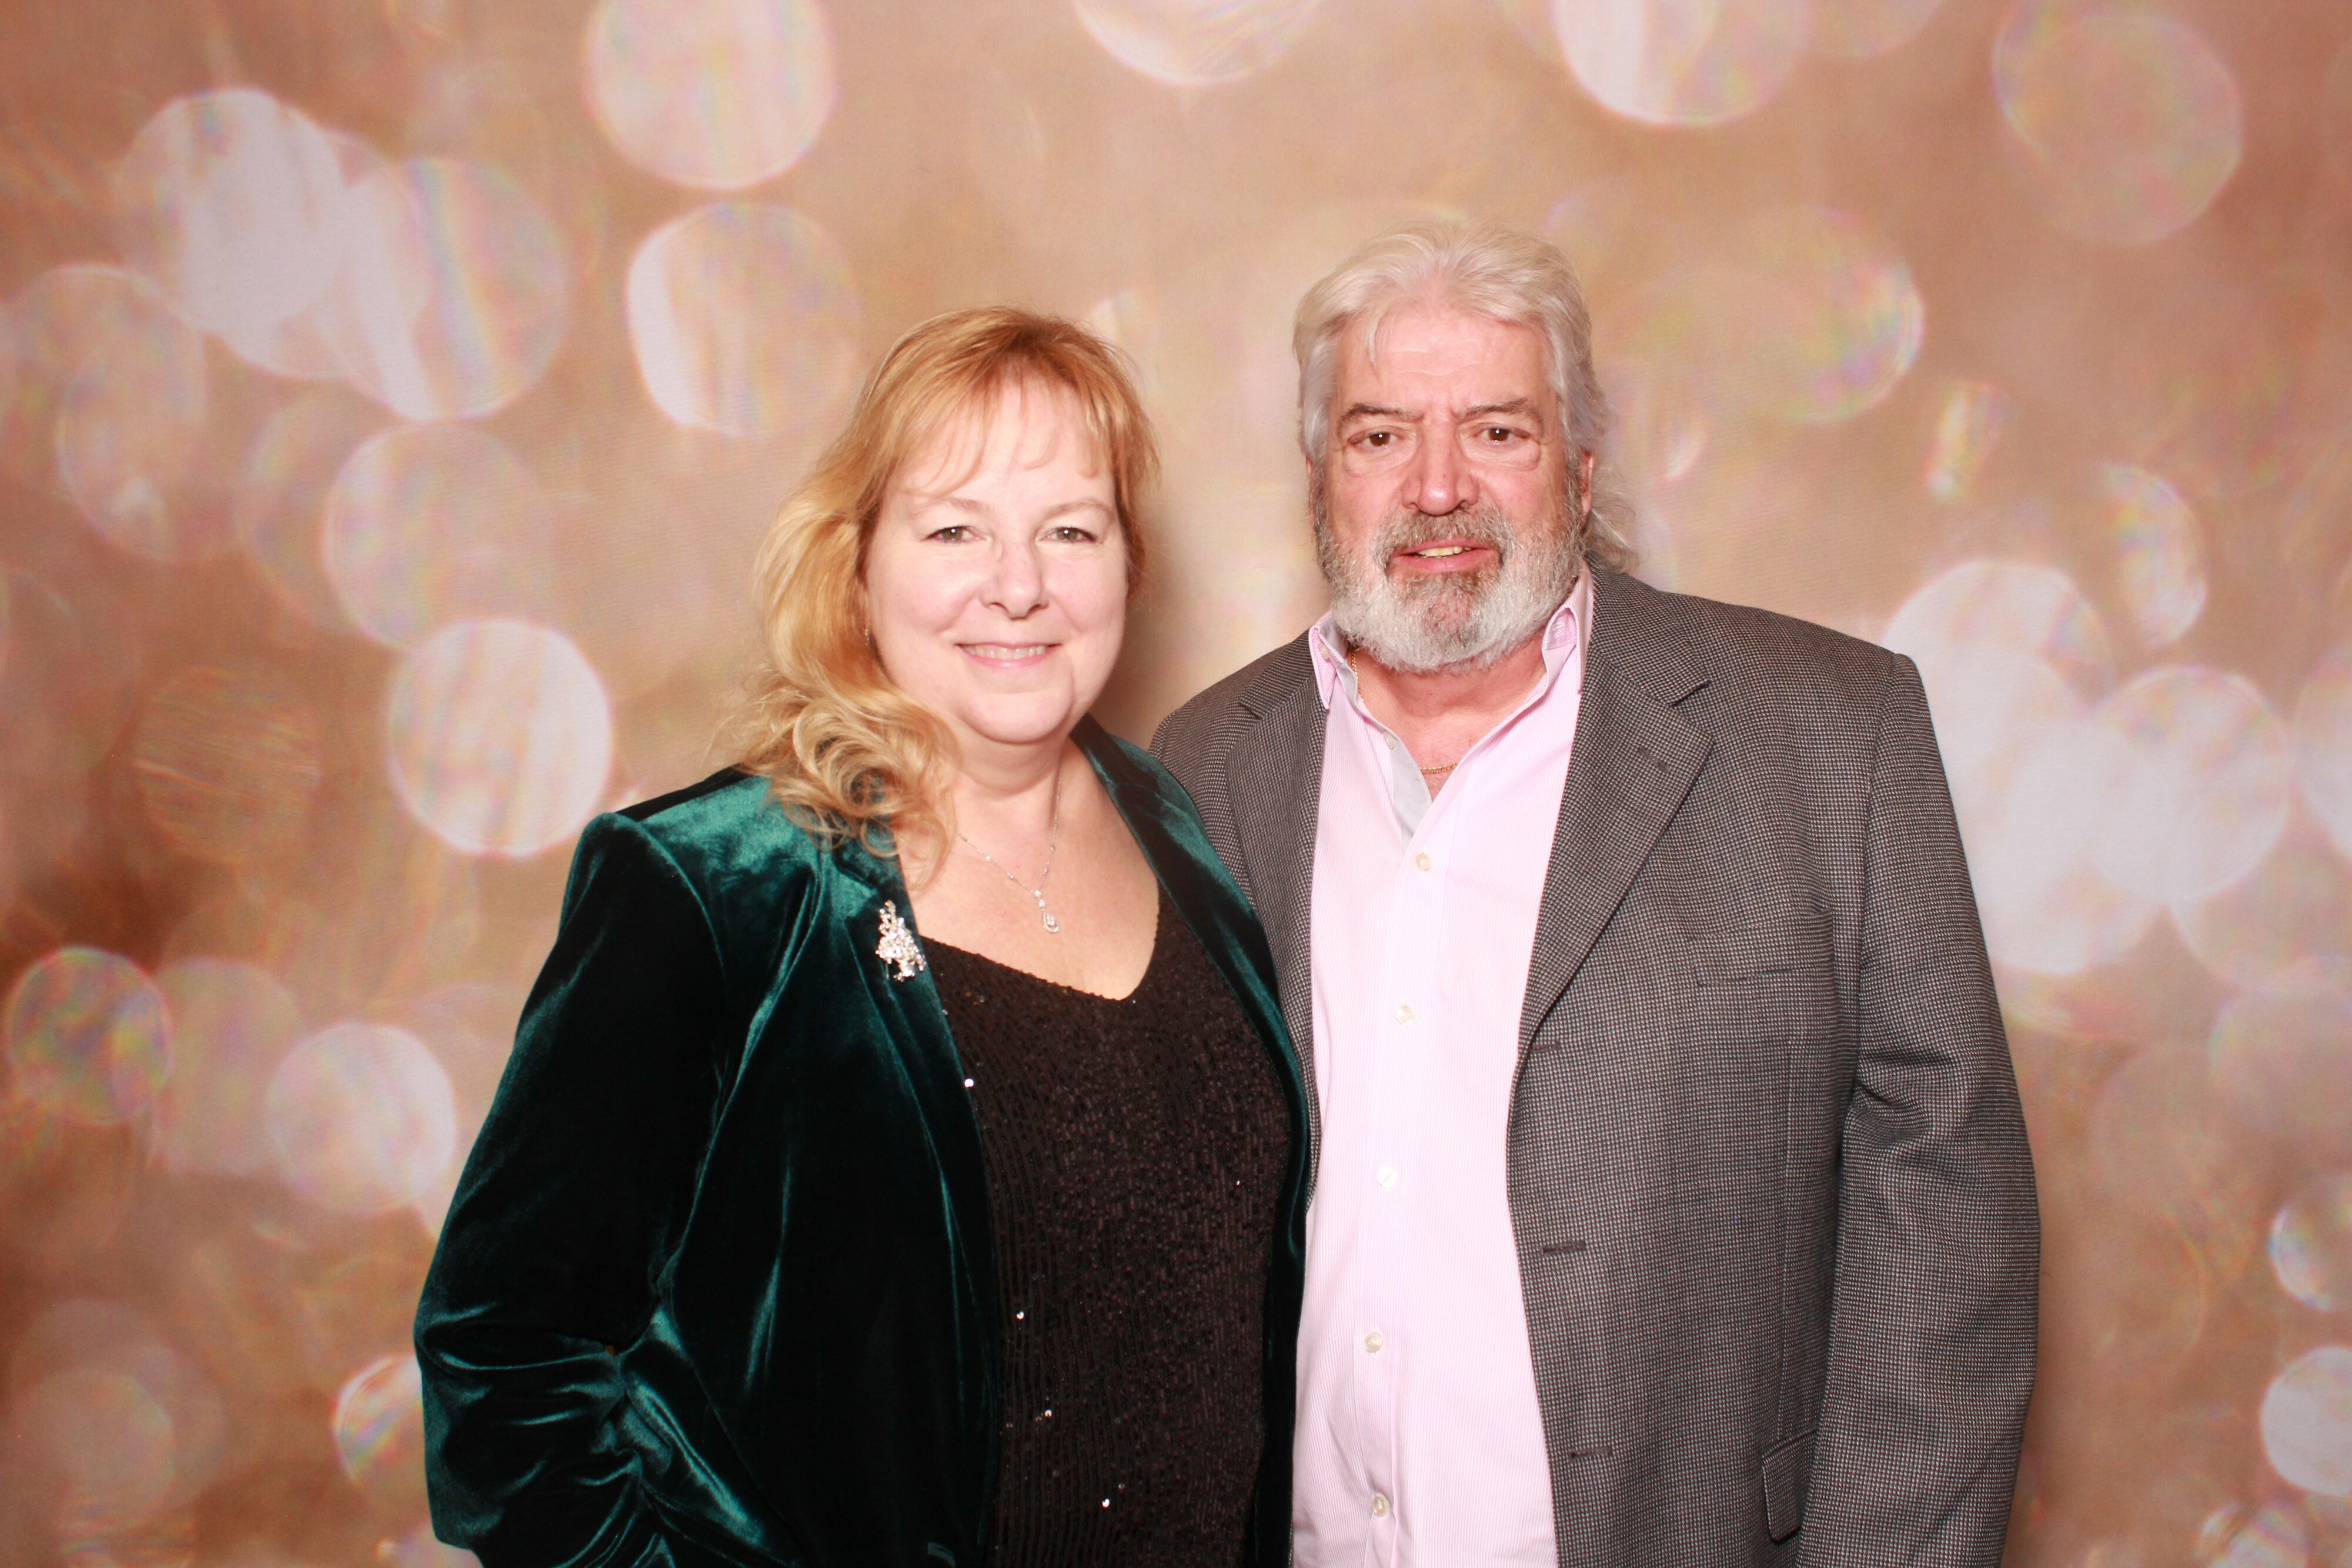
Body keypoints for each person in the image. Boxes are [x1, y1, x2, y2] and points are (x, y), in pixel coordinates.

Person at [1152, 221, 2038, 1567]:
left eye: (1495, 430)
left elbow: (1949, 1237)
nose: (1436, 487)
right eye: (1380, 434)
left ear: (1576, 463)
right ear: (1320, 473)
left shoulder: (1827, 735)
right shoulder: (1208, 760)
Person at [416, 307, 1308, 1568]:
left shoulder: (1180, 826)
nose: (1019, 585)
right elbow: (502, 1357)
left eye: (1071, 528)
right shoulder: (713, 888)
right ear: (859, 566)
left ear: (1127, 564)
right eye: (954, 530)